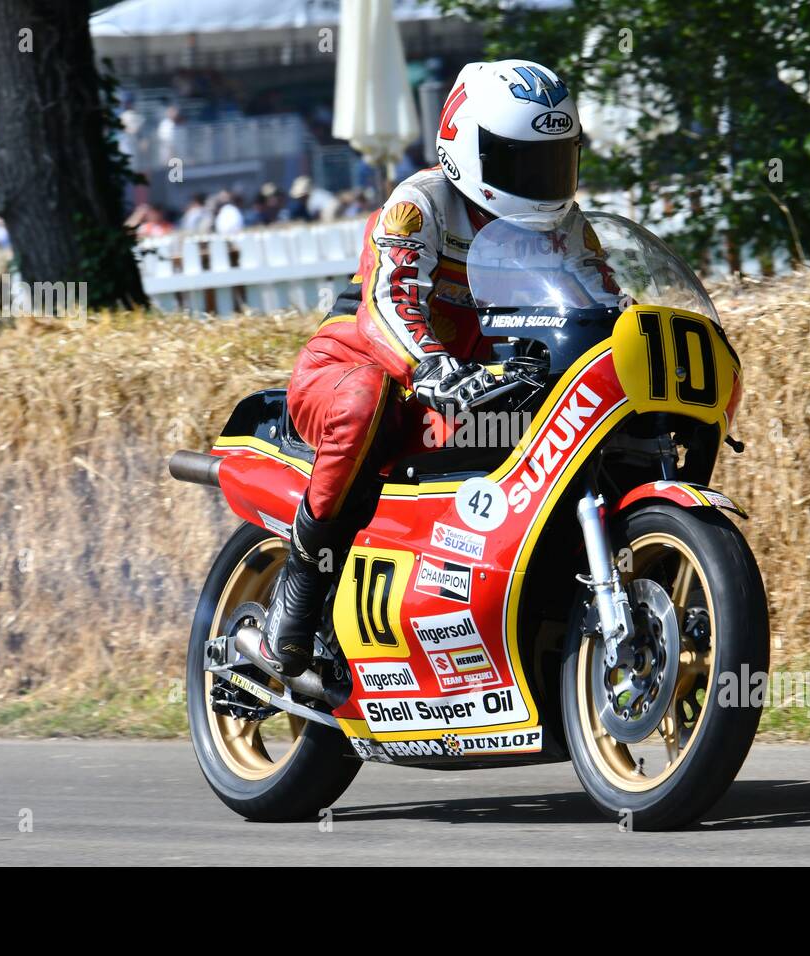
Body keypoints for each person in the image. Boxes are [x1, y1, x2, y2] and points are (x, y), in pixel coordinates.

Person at [256, 59, 619, 676]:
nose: (540, 180)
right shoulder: (420, 204)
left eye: (553, 159)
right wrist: (431, 365)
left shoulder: (567, 229)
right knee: (364, 403)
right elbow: (387, 302)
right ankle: (298, 591)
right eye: (519, 161)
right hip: (352, 367)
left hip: (457, 390)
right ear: (465, 147)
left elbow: (604, 305)